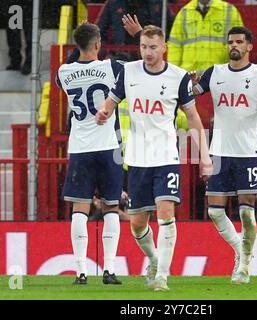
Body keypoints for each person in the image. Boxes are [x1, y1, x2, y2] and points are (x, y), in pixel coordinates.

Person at [96, 25, 212, 291]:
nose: (148, 53)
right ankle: (153, 258)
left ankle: (162, 276)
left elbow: (193, 117)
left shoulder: (179, 77)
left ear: (164, 48)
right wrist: (103, 112)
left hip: (166, 156)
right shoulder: (128, 72)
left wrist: (204, 156)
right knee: (137, 224)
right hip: (137, 159)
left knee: (165, 211)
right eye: (144, 47)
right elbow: (111, 102)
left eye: (153, 47)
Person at [190, 26, 257, 284]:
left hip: (247, 152)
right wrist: (191, 85)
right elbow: (192, 93)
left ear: (249, 46)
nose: (233, 45)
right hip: (220, 152)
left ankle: (243, 266)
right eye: (230, 42)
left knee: (246, 213)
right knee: (215, 212)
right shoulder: (215, 73)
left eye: (238, 42)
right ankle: (242, 252)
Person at [56, 22, 124, 286]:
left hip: (80, 148)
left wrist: (80, 48)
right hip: (108, 148)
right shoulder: (112, 68)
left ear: (76, 45)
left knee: (79, 209)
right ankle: (109, 270)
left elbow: (68, 69)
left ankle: (81, 272)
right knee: (111, 208)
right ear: (98, 44)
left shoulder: (64, 71)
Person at [167, 0, 244, 73]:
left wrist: (237, 72)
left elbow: (241, 46)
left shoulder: (230, 11)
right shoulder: (184, 12)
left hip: (220, 76)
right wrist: (174, 74)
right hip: (190, 76)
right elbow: (175, 47)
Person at [98, 0, 175, 46]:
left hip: (151, 54)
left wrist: (139, 34)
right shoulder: (113, 3)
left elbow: (173, 30)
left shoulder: (158, 3)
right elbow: (98, 31)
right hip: (121, 55)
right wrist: (107, 52)